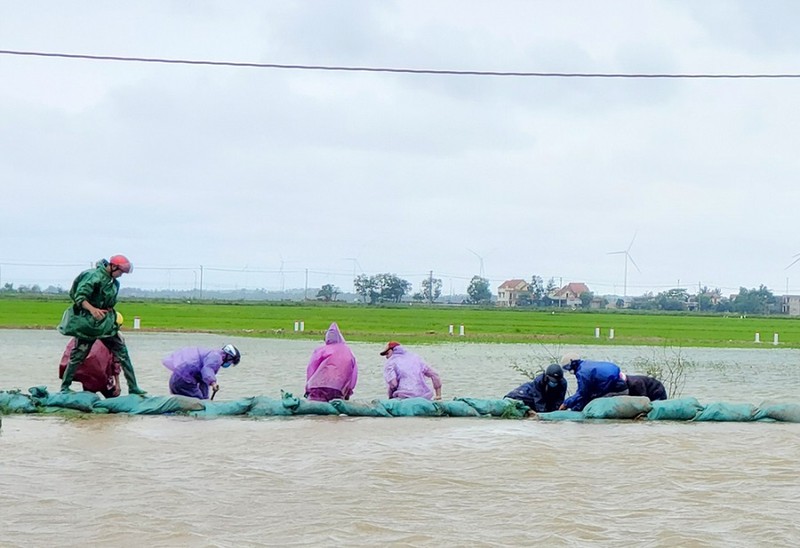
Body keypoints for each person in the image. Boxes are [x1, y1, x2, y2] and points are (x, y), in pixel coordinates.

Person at [58, 255, 146, 395]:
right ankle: (65, 387)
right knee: (78, 355)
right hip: (89, 324)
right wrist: (92, 310)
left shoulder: (113, 283)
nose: (121, 275)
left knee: (123, 353)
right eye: (120, 272)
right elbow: (80, 297)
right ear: (113, 267)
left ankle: (133, 387)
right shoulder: (93, 277)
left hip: (107, 325)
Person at [162, 344, 241, 399]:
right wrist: (213, 383)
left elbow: (203, 382)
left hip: (177, 379)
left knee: (197, 400)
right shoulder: (216, 358)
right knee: (197, 402)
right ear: (228, 356)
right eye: (231, 361)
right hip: (184, 381)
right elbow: (207, 369)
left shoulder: (212, 355)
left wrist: (205, 398)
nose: (229, 364)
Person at [304, 322, 358, 402]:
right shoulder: (348, 352)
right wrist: (349, 391)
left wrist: (308, 387)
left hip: (317, 388)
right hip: (338, 389)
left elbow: (311, 369)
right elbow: (353, 374)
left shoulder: (320, 351)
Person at [558, 352, 629, 412]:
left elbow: (581, 393)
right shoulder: (586, 365)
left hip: (618, 390)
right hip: (618, 386)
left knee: (593, 403)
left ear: (573, 365)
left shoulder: (582, 373)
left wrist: (566, 404)